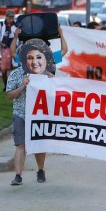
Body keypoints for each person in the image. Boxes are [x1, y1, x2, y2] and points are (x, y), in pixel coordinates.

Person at [6, 39, 55, 186]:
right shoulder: (15, 74)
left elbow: (54, 93)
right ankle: (18, 176)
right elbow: (10, 95)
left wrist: (51, 81)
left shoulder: (44, 73)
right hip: (21, 114)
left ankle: (40, 170)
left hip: (39, 114)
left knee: (39, 144)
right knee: (20, 145)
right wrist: (23, 85)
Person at [0, 9, 17, 90]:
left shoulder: (16, 25)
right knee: (3, 69)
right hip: (4, 48)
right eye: (10, 17)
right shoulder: (1, 24)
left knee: (15, 67)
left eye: (13, 17)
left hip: (15, 49)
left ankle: (14, 85)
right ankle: (6, 84)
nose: (11, 19)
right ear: (6, 16)